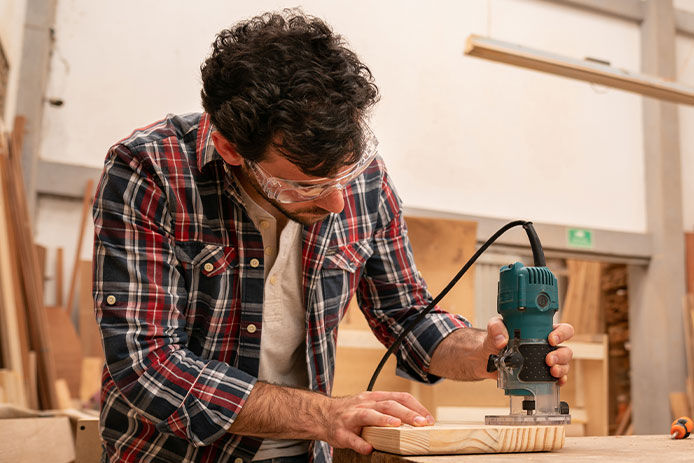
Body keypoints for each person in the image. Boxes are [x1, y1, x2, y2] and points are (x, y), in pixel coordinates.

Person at [93, 9, 574, 463]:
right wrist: (324, 413)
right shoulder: (150, 170)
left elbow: (406, 315)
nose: (338, 202)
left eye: (347, 174)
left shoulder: (362, 180)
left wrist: (484, 352)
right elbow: (146, 364)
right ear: (230, 148)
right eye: (306, 185)